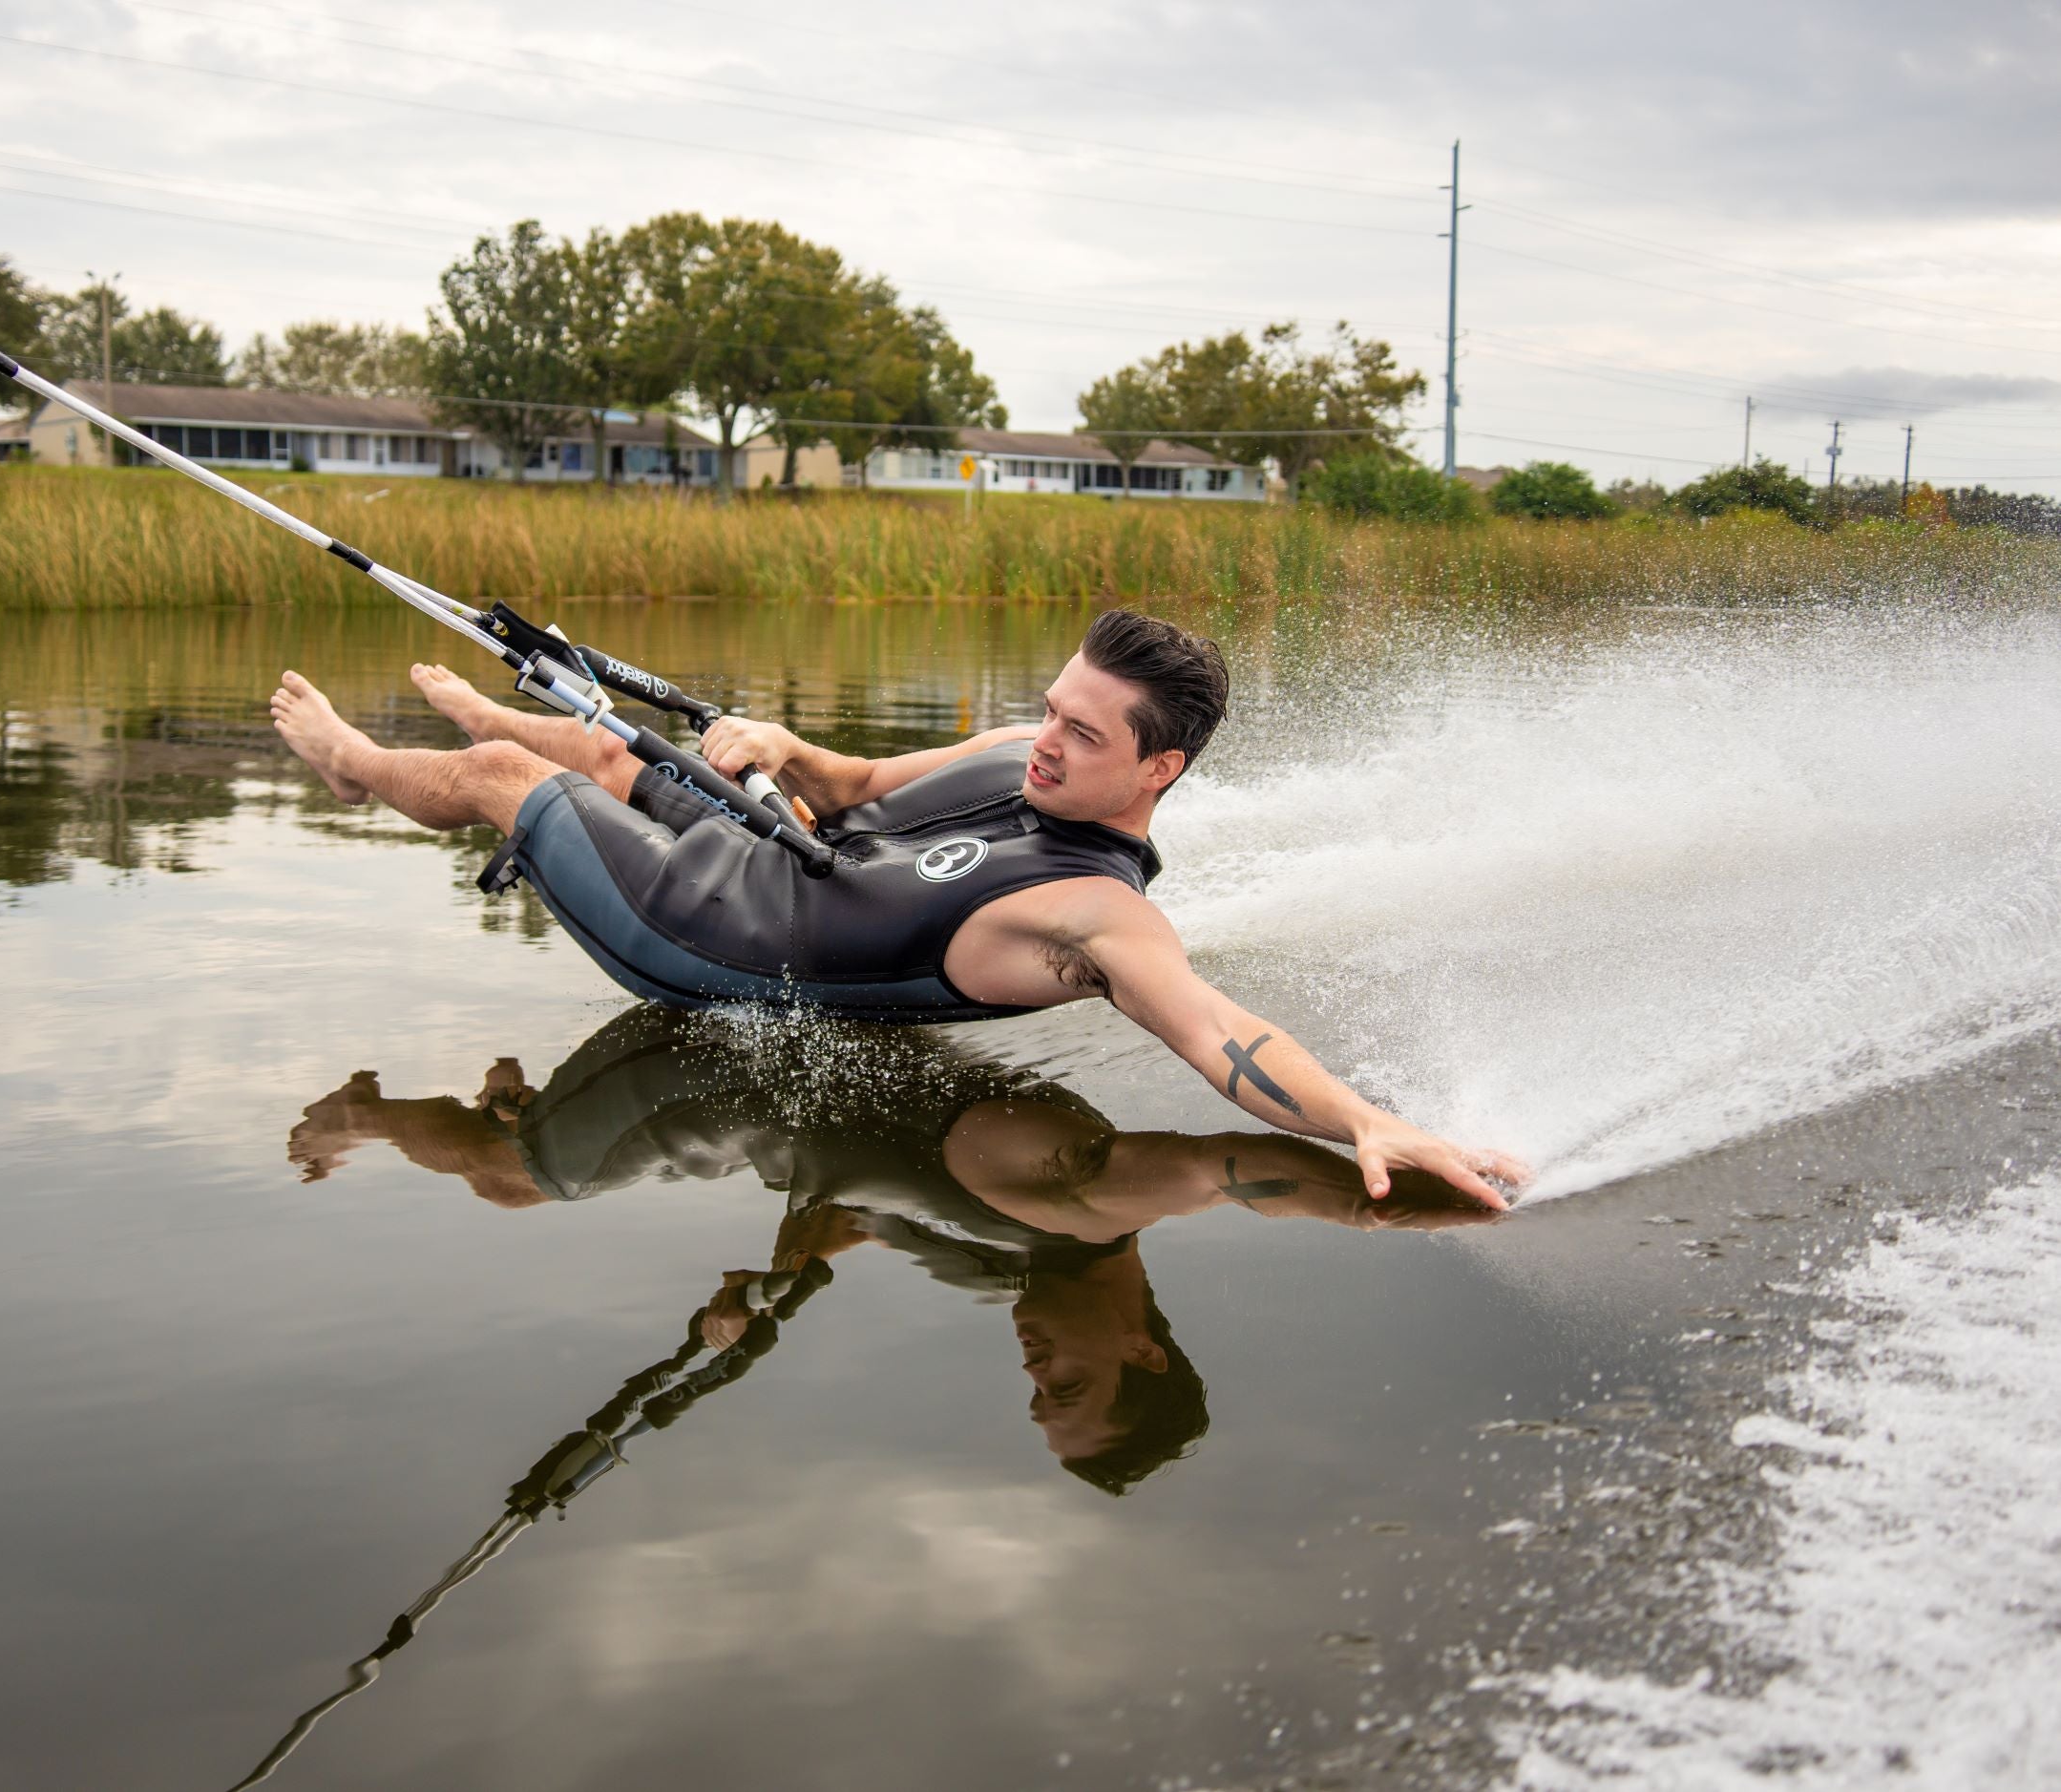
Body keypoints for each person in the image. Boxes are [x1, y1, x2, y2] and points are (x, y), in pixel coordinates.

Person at [269, 608, 1528, 1209]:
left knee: (519, 1157)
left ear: (1159, 771)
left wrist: (1369, 1120)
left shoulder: (1098, 916)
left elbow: (1221, 1037)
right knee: (615, 753)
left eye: (1083, 737)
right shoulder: (1013, 746)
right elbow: (857, 785)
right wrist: (780, 742)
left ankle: (359, 787)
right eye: (1052, 710)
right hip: (778, 849)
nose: (1045, 745)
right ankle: (492, 721)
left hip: (719, 945)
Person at [285, 1007, 1497, 1494]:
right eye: (1066, 1382)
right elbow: (1236, 1169)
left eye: (1036, 1394)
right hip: (705, 1070)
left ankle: (521, 1100)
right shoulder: (1083, 1196)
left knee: (547, 1157)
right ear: (1142, 1344)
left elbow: (851, 1214)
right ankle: (370, 1113)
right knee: (515, 1182)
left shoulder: (1000, 1268)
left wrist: (773, 1287)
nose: (1033, 1364)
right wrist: (1396, 1186)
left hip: (728, 1102)